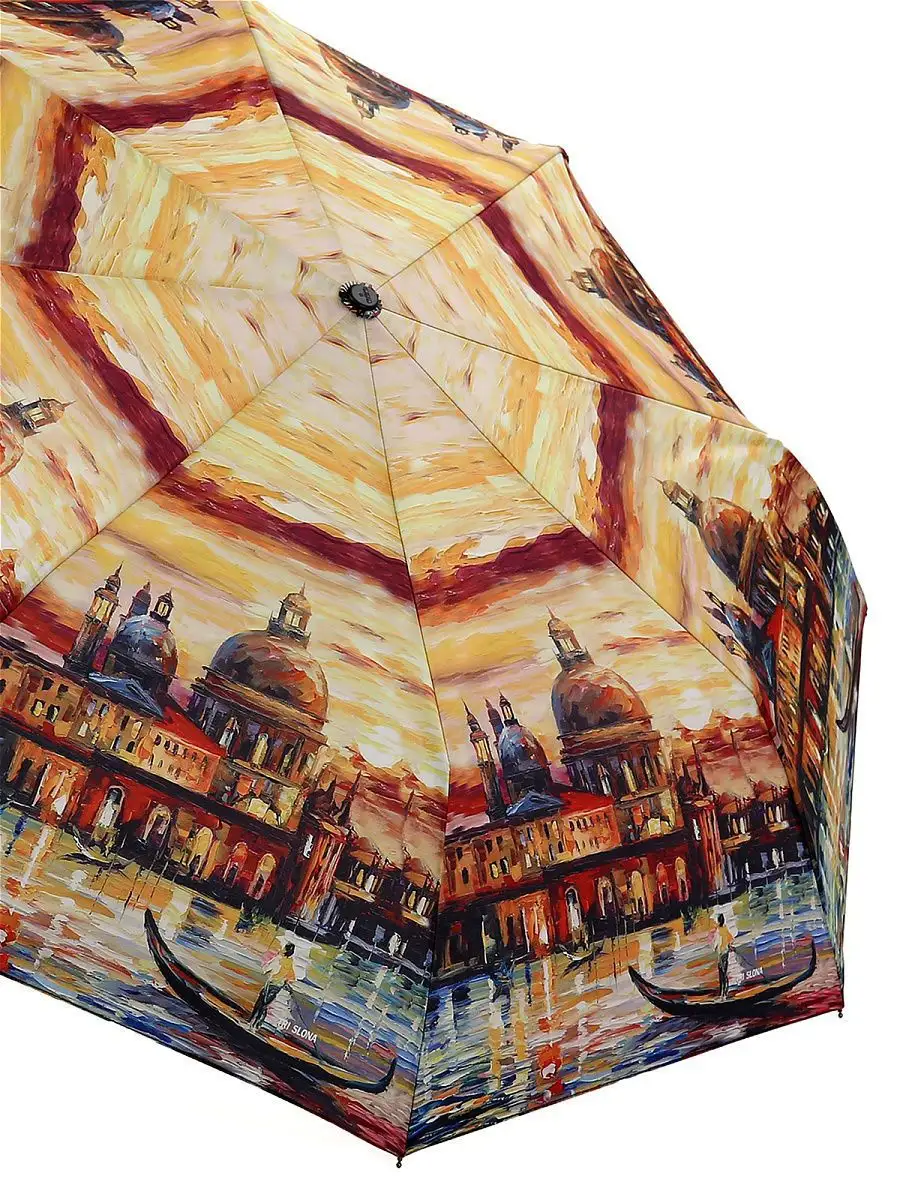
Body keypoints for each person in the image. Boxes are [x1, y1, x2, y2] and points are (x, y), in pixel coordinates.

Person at [249, 942, 296, 1029]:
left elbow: (265, 970)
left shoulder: (278, 959)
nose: (281, 949)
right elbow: (292, 977)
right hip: (278, 986)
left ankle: (252, 1022)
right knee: (265, 1005)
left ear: (285, 950)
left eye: (283, 948)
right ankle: (257, 1024)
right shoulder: (290, 962)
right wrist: (284, 979)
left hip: (271, 983)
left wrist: (271, 970)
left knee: (260, 1003)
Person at [714, 914, 735, 996]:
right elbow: (731, 939)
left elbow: (716, 945)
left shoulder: (718, 931)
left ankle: (722, 992)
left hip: (721, 954)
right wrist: (729, 946)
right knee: (724, 972)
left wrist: (716, 949)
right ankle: (725, 991)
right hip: (726, 953)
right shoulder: (725, 929)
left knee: (721, 973)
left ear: (719, 921)